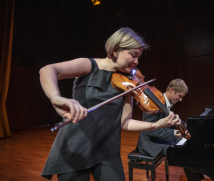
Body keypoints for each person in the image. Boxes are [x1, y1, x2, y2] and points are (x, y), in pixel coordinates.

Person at [39, 27, 181, 181]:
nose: (136, 62)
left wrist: (156, 125)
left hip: (107, 148)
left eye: (139, 57)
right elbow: (48, 70)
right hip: (75, 145)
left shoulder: (128, 83)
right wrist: (55, 97)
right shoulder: (89, 65)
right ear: (115, 50)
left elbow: (125, 122)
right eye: (133, 55)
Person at [136, 79, 205, 181]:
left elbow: (166, 125)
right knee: (186, 153)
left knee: (191, 146)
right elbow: (150, 130)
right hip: (150, 143)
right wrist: (177, 133)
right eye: (180, 96)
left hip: (161, 139)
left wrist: (187, 127)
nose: (180, 100)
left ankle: (198, 178)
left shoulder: (165, 102)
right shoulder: (154, 103)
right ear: (172, 90)